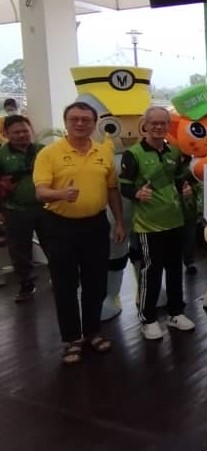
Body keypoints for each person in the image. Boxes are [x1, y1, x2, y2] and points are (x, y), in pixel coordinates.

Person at [33, 101, 125, 364]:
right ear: (66, 122)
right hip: (59, 226)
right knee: (65, 284)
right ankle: (72, 339)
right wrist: (61, 193)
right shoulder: (49, 153)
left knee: (96, 282)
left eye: (86, 119)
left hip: (96, 225)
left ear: (94, 124)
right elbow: (40, 192)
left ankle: (93, 332)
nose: (80, 123)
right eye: (74, 119)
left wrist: (119, 222)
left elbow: (112, 190)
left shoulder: (102, 151)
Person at [119, 106, 195, 340]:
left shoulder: (174, 151)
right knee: (150, 272)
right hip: (148, 225)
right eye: (154, 123)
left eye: (163, 123)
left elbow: (180, 179)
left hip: (175, 221)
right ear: (145, 125)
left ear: (168, 126)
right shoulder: (133, 154)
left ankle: (176, 313)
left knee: (175, 269)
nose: (159, 127)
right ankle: (148, 319)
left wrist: (186, 188)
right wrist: (137, 194)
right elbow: (124, 186)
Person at [0, 115, 45, 302]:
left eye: (25, 131)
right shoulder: (2, 155)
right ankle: (26, 284)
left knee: (55, 245)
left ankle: (60, 278)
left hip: (46, 208)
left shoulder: (43, 150)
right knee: (19, 250)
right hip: (15, 210)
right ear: (6, 134)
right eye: (16, 132)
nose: (21, 135)